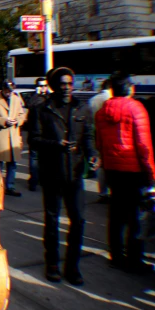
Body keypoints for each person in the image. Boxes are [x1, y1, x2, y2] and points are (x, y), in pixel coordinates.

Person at [29, 67, 98, 286]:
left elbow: (88, 137)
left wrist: (93, 155)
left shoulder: (81, 108)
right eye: (62, 84)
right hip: (52, 173)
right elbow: (34, 140)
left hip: (75, 174)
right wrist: (56, 145)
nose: (67, 88)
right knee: (52, 220)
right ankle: (53, 264)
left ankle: (73, 266)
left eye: (70, 83)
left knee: (78, 220)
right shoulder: (42, 109)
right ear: (53, 86)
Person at [95, 72, 155, 272]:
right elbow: (143, 145)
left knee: (116, 215)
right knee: (135, 218)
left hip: (112, 170)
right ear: (130, 88)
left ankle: (116, 256)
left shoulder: (103, 111)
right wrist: (150, 174)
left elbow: (99, 142)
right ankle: (134, 259)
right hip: (133, 171)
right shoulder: (136, 108)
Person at [0, 80, 27, 197]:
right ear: (2, 89)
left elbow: (22, 114)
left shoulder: (16, 98)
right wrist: (3, 121)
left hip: (13, 136)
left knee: (12, 164)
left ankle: (10, 187)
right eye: (7, 91)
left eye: (10, 91)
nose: (9, 93)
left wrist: (17, 121)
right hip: (1, 135)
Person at [89, 79, 112, 202]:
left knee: (100, 166)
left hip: (96, 135)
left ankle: (103, 192)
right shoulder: (111, 100)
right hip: (110, 137)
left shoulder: (93, 100)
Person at [26, 77, 49, 191]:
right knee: (34, 159)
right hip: (35, 134)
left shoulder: (49, 98)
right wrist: (37, 95)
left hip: (46, 135)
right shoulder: (34, 99)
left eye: (45, 85)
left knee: (44, 159)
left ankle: (40, 180)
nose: (43, 88)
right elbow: (29, 109)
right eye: (40, 85)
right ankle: (34, 181)